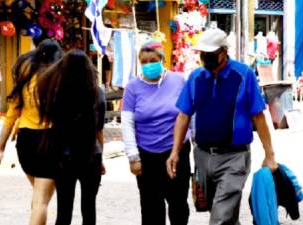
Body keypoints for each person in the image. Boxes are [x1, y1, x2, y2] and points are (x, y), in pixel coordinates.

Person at [166, 28, 278, 225]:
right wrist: (175, 151)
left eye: (210, 54)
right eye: (203, 54)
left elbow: (258, 117)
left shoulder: (243, 75)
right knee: (222, 213)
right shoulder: (196, 78)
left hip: (234, 157)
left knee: (219, 217)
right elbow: (183, 116)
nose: (205, 58)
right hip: (202, 156)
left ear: (224, 52)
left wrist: (269, 155)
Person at [121, 40, 191, 225]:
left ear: (162, 60)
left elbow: (189, 114)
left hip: (177, 152)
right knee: (151, 209)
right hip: (147, 156)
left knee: (178, 206)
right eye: (144, 61)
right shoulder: (133, 87)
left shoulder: (179, 81)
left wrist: (195, 140)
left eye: (153, 60)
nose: (148, 65)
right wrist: (133, 157)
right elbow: (127, 123)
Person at [0, 39, 63, 225]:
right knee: (42, 201)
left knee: (38, 198)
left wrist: (0, 148)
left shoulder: (26, 80)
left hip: (25, 142)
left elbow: (11, 116)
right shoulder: (59, 80)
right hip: (48, 141)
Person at [37, 49, 106, 225]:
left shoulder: (55, 93)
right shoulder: (97, 93)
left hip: (63, 156)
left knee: (64, 208)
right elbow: (98, 130)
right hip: (91, 155)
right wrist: (101, 158)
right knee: (89, 207)